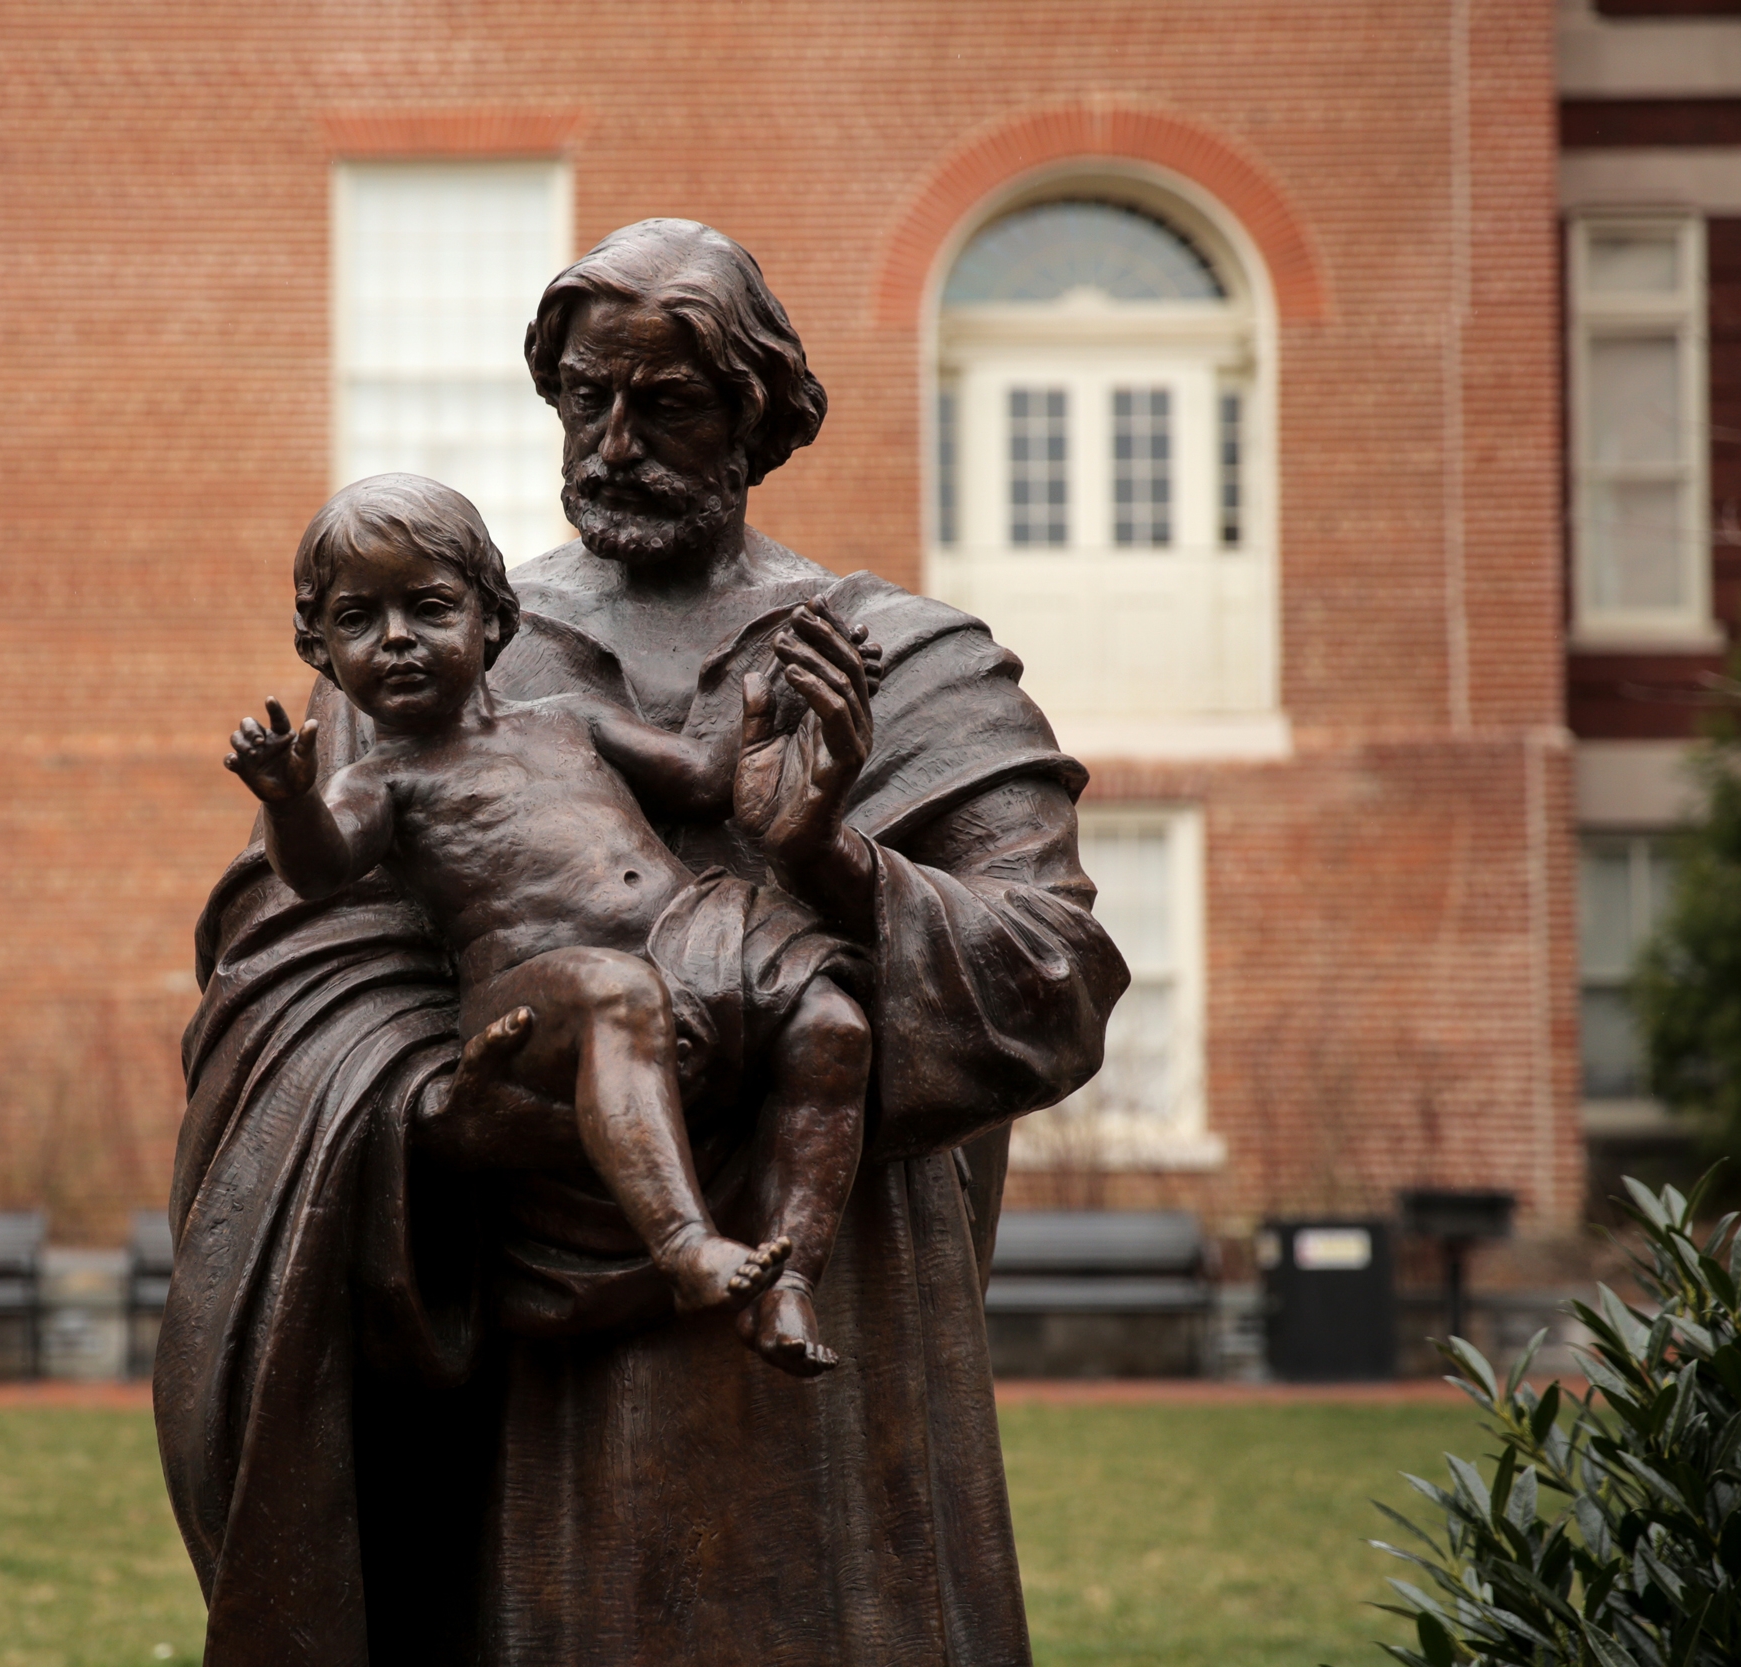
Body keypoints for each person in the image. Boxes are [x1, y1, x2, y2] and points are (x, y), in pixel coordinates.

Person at [158, 220, 1130, 1666]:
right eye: (581, 398)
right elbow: (284, 1002)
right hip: (539, 1388)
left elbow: (1050, 978)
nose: (612, 441)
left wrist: (827, 855)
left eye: (663, 402)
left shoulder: (899, 660)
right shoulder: (434, 657)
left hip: (843, 1392)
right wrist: (446, 1114)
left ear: (756, 413)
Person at [225, 471, 879, 1373]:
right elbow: (319, 866)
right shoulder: (381, 781)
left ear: (494, 619)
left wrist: (785, 699)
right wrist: (290, 801)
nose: (398, 640)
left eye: (428, 607)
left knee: (834, 1025)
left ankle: (790, 1281)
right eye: (357, 620)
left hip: (694, 933)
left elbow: (697, 776)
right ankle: (688, 1248)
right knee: (617, 992)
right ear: (319, 651)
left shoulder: (568, 718)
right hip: (542, 981)